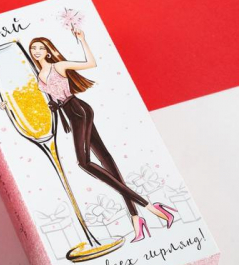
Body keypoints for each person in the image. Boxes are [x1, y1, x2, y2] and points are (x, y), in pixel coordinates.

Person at [29, 30, 177, 242]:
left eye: (40, 48)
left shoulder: (57, 66)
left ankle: (150, 207)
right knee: (106, 160)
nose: (36, 51)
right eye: (33, 48)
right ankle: (136, 219)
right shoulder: (39, 75)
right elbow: (44, 101)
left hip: (79, 111)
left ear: (48, 51)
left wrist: (82, 40)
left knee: (84, 163)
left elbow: (90, 63)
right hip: (71, 114)